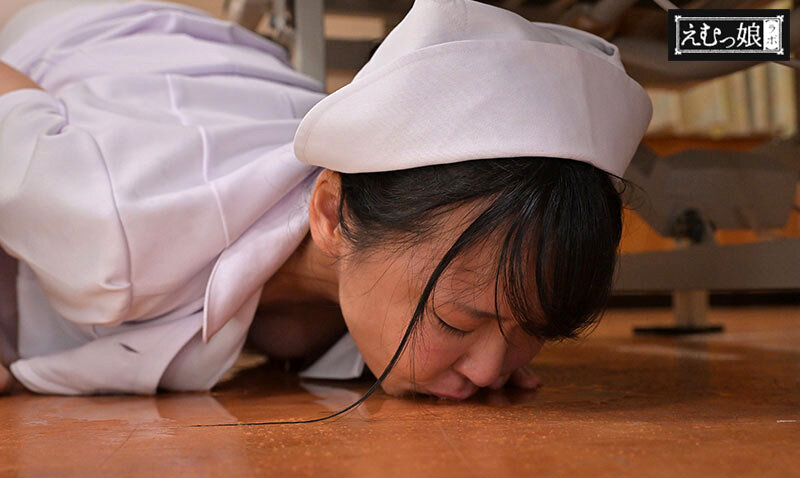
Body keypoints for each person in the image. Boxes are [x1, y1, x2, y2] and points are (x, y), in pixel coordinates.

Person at [0, 0, 652, 410]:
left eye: (531, 332)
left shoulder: (380, 267)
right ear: (332, 213)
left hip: (247, 78)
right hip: (93, 31)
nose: (488, 372)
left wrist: (493, 328)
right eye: (458, 322)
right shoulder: (112, 217)